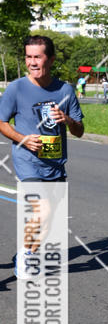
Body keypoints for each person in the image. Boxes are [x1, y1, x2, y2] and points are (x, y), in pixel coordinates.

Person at [0, 35, 84, 279]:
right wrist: (22, 139)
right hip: (28, 162)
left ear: (51, 59)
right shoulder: (16, 88)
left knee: (48, 221)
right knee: (43, 210)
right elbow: (2, 122)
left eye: (38, 57)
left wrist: (67, 120)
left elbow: (79, 131)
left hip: (55, 165)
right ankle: (26, 259)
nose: (32, 62)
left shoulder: (65, 90)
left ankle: (26, 252)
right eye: (29, 57)